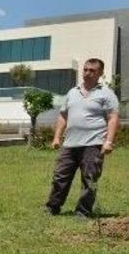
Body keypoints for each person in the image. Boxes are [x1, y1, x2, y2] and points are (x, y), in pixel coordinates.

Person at [45, 58, 120, 217]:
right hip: (70, 144)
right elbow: (63, 116)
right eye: (85, 69)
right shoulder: (72, 92)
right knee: (60, 177)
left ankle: (83, 212)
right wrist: (57, 137)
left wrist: (109, 142)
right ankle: (52, 207)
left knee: (89, 179)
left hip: (93, 144)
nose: (87, 73)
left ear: (100, 73)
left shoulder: (106, 94)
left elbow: (113, 118)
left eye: (92, 70)